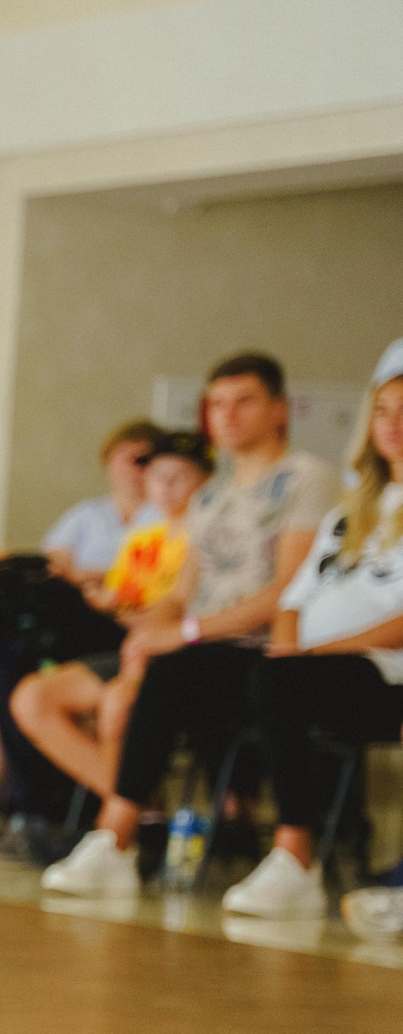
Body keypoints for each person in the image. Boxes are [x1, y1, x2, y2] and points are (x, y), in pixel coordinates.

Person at [43, 353, 340, 897]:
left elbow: (288, 589)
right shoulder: (210, 496)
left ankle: (124, 834)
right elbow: (181, 596)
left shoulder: (308, 478)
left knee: (173, 667)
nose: (227, 415)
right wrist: (147, 633)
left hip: (266, 647)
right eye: (217, 404)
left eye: (243, 401)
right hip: (205, 649)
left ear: (278, 410)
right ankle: (117, 843)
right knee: (155, 667)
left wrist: (185, 633)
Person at [212, 342, 403, 921]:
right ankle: (123, 835)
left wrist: (312, 653)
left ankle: (295, 855)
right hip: (312, 666)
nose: (393, 426)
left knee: (283, 683)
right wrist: (291, 643)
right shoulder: (349, 512)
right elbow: (293, 598)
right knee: (211, 674)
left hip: (382, 676)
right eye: (383, 412)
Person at [7, 431, 211, 812]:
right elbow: (119, 596)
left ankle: (117, 820)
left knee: (117, 704)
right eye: (157, 476)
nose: (165, 486)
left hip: (171, 651)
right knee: (32, 697)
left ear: (206, 482)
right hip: (124, 640)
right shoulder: (144, 535)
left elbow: (181, 609)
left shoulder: (207, 536)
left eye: (179, 476)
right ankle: (138, 808)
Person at [43, 420, 161, 582]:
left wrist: (86, 575)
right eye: (121, 457)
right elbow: (55, 560)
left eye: (141, 460)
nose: (129, 468)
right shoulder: (87, 512)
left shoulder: (169, 514)